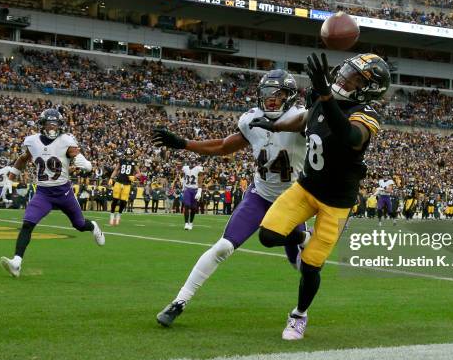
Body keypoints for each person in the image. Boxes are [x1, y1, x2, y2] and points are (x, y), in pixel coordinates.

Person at [152, 69, 308, 327]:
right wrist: (184, 143)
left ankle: (302, 310)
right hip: (259, 195)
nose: (271, 99)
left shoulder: (301, 119)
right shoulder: (252, 119)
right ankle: (179, 301)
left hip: (291, 201)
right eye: (267, 93)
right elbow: (225, 146)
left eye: (277, 94)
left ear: (289, 96)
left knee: (300, 262)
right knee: (224, 246)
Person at [251, 53, 390, 340]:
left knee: (312, 266)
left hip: (337, 203)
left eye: (353, 76)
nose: (343, 77)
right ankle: (302, 237)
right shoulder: (322, 99)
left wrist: (327, 97)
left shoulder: (367, 113)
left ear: (368, 87)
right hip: (306, 187)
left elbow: (351, 137)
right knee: (268, 236)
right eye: (346, 70)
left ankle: (299, 315)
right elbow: (304, 119)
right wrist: (275, 126)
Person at [0, 108, 105, 278]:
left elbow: (74, 154)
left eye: (55, 124)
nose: (52, 127)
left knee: (79, 225)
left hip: (64, 192)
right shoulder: (32, 141)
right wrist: (12, 176)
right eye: (49, 124)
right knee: (27, 224)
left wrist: (83, 161)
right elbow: (23, 158)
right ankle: (16, 262)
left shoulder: (66, 140)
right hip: (43, 193)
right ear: (42, 124)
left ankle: (93, 226)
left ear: (60, 125)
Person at [108, 148, 141, 226]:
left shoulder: (134, 162)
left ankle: (119, 214)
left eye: (130, 155)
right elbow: (116, 170)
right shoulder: (121, 161)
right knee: (115, 199)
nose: (128, 156)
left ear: (132, 155)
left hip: (127, 184)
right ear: (125, 155)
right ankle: (112, 214)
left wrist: (135, 176)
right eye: (127, 155)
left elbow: (139, 173)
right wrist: (111, 178)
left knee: (123, 201)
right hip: (119, 182)